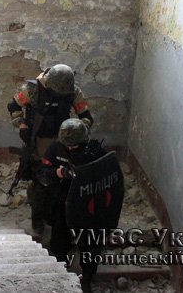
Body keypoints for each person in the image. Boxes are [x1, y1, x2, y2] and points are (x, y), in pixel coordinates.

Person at [36, 119, 124, 293]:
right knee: (59, 243)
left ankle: (87, 279)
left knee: (90, 246)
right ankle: (60, 274)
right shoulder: (55, 149)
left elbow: (108, 180)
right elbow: (42, 174)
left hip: (87, 206)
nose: (70, 148)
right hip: (63, 203)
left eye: (74, 146)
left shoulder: (95, 152)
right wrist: (59, 172)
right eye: (67, 145)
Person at [7, 64, 93, 239]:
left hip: (63, 140)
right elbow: (13, 106)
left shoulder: (73, 91)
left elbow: (86, 116)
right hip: (39, 140)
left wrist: (78, 131)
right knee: (41, 182)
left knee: (63, 182)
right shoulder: (32, 90)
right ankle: (38, 223)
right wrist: (21, 125)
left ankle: (59, 220)